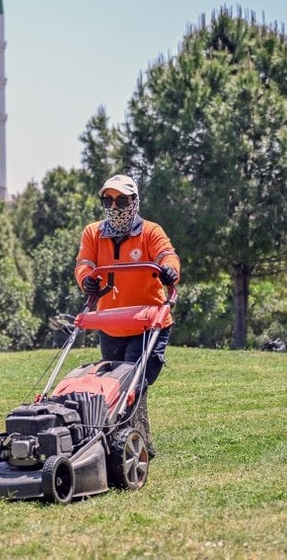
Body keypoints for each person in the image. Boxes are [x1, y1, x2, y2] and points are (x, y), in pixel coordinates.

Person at [74, 174, 180, 457]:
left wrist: (169, 269)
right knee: (113, 385)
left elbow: (167, 254)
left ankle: (131, 442)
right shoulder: (93, 233)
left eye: (121, 201)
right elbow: (84, 263)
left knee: (132, 381)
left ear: (134, 201)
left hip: (149, 321)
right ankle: (134, 442)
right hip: (110, 323)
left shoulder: (150, 232)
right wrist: (86, 279)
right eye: (108, 200)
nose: (114, 206)